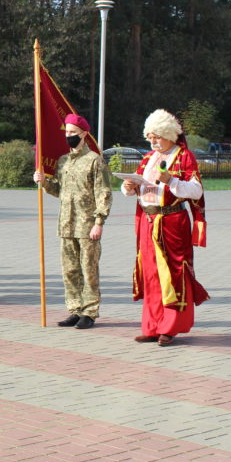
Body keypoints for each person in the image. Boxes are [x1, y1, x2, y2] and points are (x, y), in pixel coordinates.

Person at [120, 109, 209, 347]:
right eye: (150, 137)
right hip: (148, 222)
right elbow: (139, 186)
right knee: (150, 274)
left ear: (169, 135)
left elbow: (196, 191)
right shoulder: (148, 157)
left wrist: (171, 180)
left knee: (172, 273)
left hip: (172, 222)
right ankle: (151, 326)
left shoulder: (184, 156)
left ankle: (170, 327)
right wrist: (129, 187)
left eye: (157, 136)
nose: (153, 141)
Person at [32, 113, 112, 329]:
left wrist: (99, 222)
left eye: (73, 133)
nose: (69, 136)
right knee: (69, 271)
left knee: (89, 270)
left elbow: (103, 193)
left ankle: (90, 312)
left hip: (87, 226)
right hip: (67, 225)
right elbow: (59, 190)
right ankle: (75, 309)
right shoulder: (63, 161)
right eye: (66, 132)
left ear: (84, 134)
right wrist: (44, 182)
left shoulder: (94, 160)